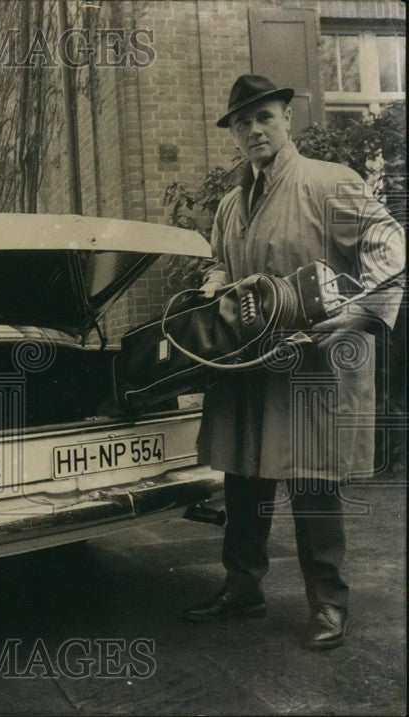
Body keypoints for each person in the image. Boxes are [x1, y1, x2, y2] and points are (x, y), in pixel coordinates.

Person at [184, 75, 404, 649]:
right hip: (246, 363)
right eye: (242, 122)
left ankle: (329, 603)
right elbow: (218, 263)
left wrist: (357, 315)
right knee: (242, 476)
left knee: (313, 483)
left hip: (312, 365)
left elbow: (390, 245)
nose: (254, 130)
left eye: (265, 117)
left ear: (287, 118)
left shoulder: (329, 183)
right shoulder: (232, 204)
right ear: (233, 133)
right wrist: (212, 289)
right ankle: (242, 588)